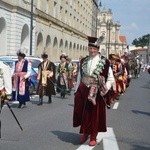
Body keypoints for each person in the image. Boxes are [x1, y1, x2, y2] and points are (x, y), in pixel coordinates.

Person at [73, 36, 115, 146]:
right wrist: (77, 90)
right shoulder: (83, 61)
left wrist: (104, 90)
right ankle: (85, 133)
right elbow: (79, 76)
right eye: (90, 48)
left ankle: (93, 136)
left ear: (98, 49)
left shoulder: (105, 62)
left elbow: (111, 79)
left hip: (97, 92)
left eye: (94, 49)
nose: (92, 51)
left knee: (94, 115)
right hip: (83, 90)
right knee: (84, 113)